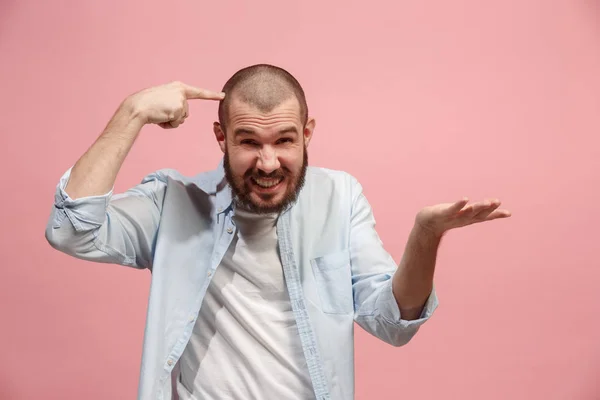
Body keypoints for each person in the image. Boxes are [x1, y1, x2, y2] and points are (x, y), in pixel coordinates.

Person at [45, 64, 511, 400]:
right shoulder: (173, 202)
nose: (268, 163)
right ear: (221, 138)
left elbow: (391, 322)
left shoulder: (339, 196)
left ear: (307, 133)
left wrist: (426, 236)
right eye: (249, 141)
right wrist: (133, 113)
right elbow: (70, 230)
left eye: (284, 140)